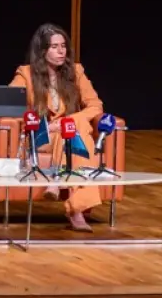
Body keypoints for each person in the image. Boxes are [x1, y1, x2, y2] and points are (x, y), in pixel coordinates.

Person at [8, 23, 104, 232]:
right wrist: (43, 125)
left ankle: (60, 184)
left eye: (63, 46)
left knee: (72, 129)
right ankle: (75, 209)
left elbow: (96, 105)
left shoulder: (76, 72)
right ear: (42, 51)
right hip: (41, 136)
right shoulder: (26, 74)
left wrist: (63, 123)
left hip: (65, 134)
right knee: (76, 132)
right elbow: (9, 107)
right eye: (54, 47)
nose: (62, 51)